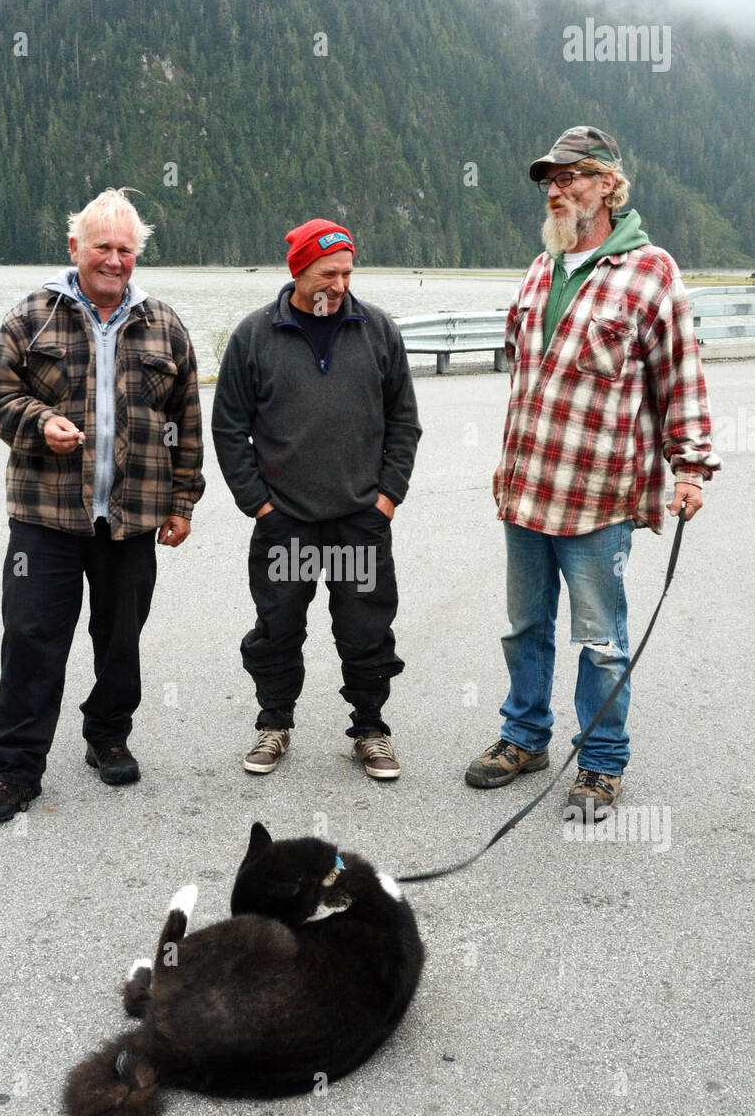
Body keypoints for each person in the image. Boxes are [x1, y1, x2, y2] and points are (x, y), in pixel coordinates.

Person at [465, 127, 720, 817]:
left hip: (598, 498)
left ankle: (602, 762)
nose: (556, 190)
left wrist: (690, 468)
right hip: (525, 488)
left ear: (607, 184)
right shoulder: (540, 267)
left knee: (601, 641)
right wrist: (505, 462)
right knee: (524, 627)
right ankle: (525, 738)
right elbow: (527, 377)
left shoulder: (651, 272)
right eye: (548, 180)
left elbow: (681, 378)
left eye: (570, 177)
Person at [0, 188, 204, 822]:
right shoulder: (32, 316)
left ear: (137, 256)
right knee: (31, 637)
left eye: (125, 249)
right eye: (101, 246)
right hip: (44, 516)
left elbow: (187, 420)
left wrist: (183, 500)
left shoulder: (165, 324)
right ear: (74, 247)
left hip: (131, 517)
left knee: (121, 636)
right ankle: (17, 770)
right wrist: (40, 421)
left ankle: (107, 736)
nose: (113, 259)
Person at [212, 218, 421, 778]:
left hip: (359, 521)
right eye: (328, 272)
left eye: (347, 271)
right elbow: (229, 427)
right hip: (287, 523)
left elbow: (404, 421)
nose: (340, 282)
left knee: (366, 630)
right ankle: (273, 724)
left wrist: (387, 498)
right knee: (278, 627)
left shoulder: (377, 331)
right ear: (299, 272)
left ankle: (371, 729)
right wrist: (258, 503)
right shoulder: (255, 336)